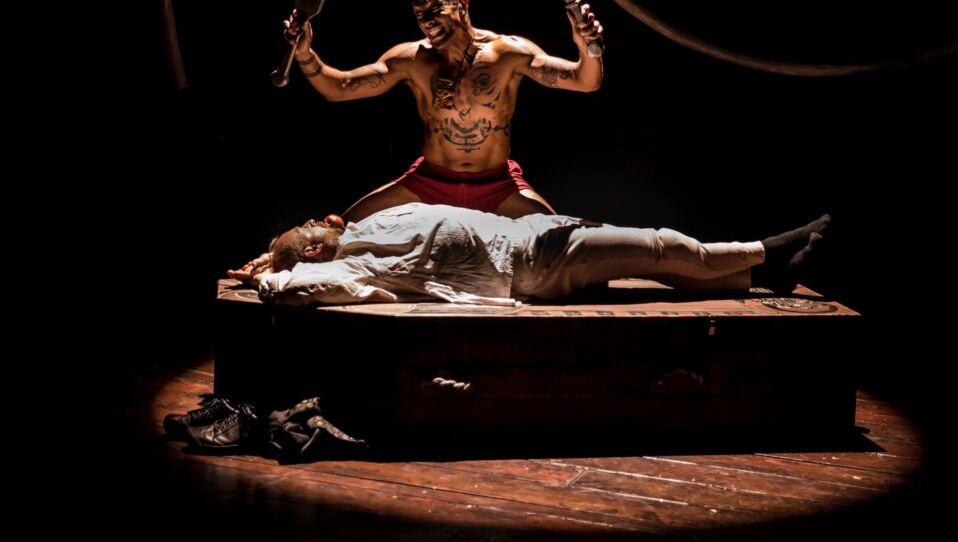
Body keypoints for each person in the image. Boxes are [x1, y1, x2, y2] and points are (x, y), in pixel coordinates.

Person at [284, 0, 604, 221]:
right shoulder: (412, 60)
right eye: (419, 14)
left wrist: (587, 47)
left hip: (497, 184)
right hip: (429, 181)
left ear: (462, 4)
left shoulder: (508, 53)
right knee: (339, 230)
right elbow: (338, 89)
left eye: (435, 9)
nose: (426, 21)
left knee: (561, 244)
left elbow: (585, 81)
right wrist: (305, 55)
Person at [243, 203, 830, 306]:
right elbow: (298, 288)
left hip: (532, 234)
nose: (317, 218)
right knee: (661, 246)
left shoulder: (365, 223)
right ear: (314, 249)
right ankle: (772, 248)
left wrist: (280, 255)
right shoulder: (351, 266)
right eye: (306, 227)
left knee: (663, 267)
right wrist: (272, 271)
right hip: (534, 265)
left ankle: (764, 276)